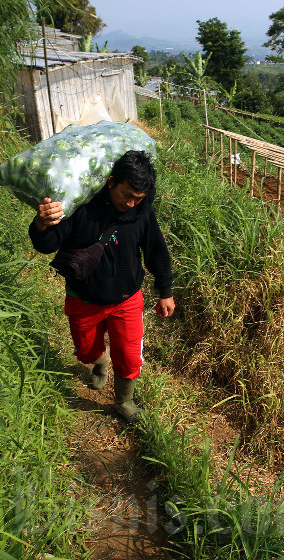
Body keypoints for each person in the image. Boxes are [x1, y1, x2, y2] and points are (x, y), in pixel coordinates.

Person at [29, 150, 175, 422]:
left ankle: (124, 402)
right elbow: (47, 245)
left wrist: (165, 291)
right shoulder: (81, 206)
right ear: (111, 182)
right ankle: (100, 359)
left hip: (127, 299)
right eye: (127, 195)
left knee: (130, 357)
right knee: (85, 350)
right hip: (83, 298)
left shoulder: (141, 212)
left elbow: (156, 250)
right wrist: (41, 223)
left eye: (138, 198)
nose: (131, 204)